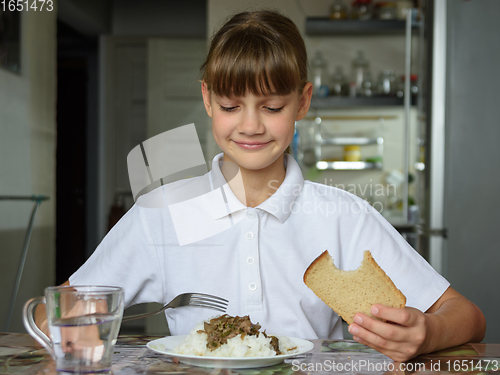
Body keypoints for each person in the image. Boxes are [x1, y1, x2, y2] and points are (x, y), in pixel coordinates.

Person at [36, 10, 485, 362]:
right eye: (231, 105)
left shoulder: (344, 217)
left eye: (271, 106)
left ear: (303, 102)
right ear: (208, 99)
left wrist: (427, 332)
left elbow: (467, 316)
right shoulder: (162, 214)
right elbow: (55, 313)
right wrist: (63, 320)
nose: (250, 125)